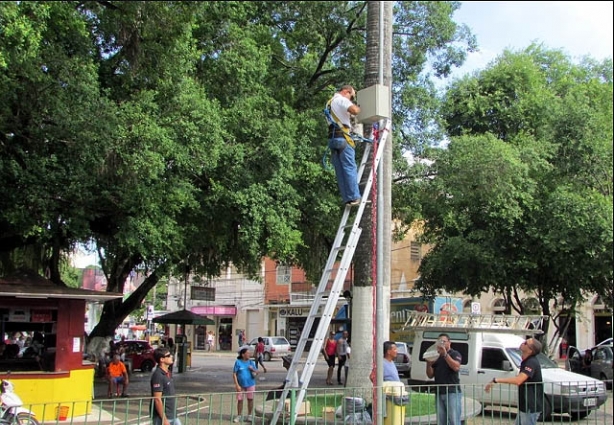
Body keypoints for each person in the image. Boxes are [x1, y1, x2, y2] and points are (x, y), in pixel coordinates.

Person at [485, 338, 543, 425]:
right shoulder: (526, 361)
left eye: (526, 343)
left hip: (530, 405)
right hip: (524, 405)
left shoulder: (531, 362)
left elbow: (519, 380)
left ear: (530, 350)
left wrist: (496, 380)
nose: (523, 343)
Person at [326, 85, 362, 206]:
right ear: (346, 92)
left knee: (340, 170)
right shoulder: (341, 100)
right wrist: (359, 108)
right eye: (351, 96)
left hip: (332, 139)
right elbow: (355, 110)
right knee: (349, 167)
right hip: (343, 138)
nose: (350, 100)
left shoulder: (329, 103)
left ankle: (347, 198)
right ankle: (354, 197)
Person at [426, 333, 462, 425]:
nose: (441, 344)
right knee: (441, 420)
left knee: (453, 420)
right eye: (439, 342)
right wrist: (429, 363)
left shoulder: (454, 353)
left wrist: (445, 354)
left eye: (443, 342)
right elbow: (430, 375)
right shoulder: (436, 356)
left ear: (449, 343)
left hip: (452, 391)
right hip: (439, 391)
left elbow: (456, 367)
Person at [150, 347, 180, 425]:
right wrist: (164, 419)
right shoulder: (158, 375)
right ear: (162, 359)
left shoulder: (168, 372)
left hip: (172, 414)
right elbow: (157, 399)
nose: (171, 357)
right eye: (168, 355)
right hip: (163, 417)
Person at [233, 346, 259, 423]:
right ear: (243, 354)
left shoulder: (251, 362)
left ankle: (249, 415)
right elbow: (234, 374)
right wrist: (237, 385)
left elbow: (256, 372)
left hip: (250, 383)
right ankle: (239, 415)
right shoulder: (238, 362)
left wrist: (252, 369)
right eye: (248, 353)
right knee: (240, 400)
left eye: (250, 353)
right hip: (241, 384)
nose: (249, 354)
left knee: (250, 399)